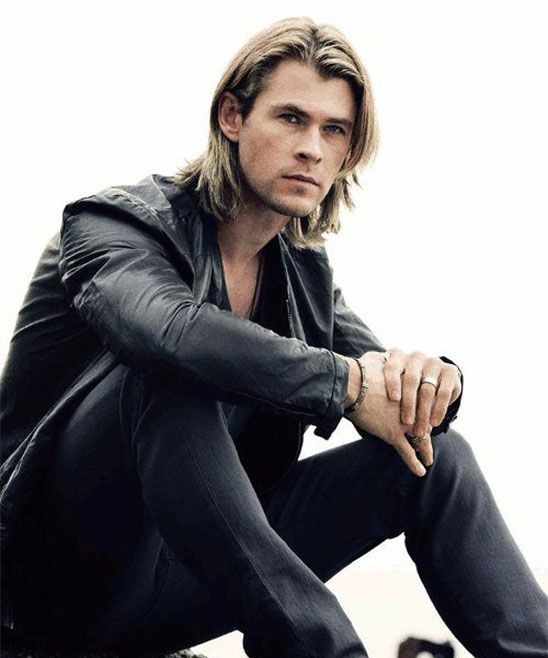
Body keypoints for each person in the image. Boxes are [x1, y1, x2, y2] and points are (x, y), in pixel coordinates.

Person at [0, 16, 546, 658]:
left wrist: (432, 386)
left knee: (433, 460)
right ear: (232, 117)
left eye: (334, 130)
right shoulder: (111, 227)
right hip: (54, 581)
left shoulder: (304, 280)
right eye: (291, 118)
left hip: (184, 584)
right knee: (167, 377)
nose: (311, 148)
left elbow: (385, 392)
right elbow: (170, 334)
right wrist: (347, 386)